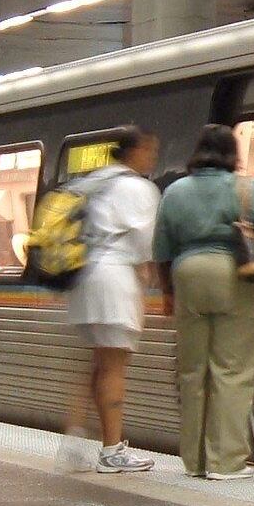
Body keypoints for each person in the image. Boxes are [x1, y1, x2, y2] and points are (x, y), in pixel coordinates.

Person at [154, 124, 254, 480]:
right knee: (231, 370)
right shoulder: (247, 188)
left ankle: (195, 461)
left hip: (187, 276)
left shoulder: (174, 192)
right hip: (234, 277)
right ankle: (225, 462)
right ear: (233, 153)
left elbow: (161, 249)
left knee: (192, 371)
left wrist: (168, 292)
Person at [62, 127, 162, 474]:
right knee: (114, 367)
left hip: (84, 278)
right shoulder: (137, 188)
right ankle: (111, 451)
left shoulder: (93, 182)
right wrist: (147, 284)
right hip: (114, 279)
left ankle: (75, 441)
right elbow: (144, 245)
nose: (152, 158)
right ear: (134, 151)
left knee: (99, 364)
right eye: (150, 151)